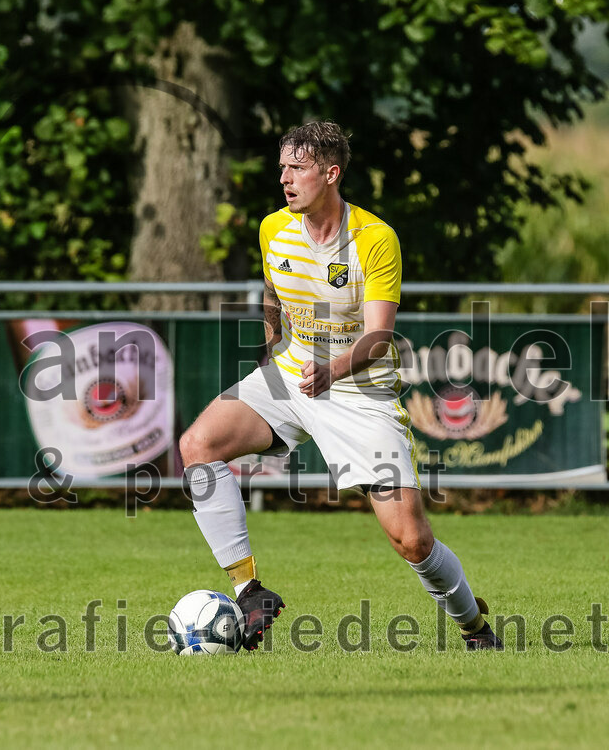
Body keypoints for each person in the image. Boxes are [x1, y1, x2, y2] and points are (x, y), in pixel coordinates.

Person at [179, 121, 503, 651]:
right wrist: (271, 345)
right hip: (291, 375)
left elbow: (379, 336)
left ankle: (474, 627)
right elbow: (273, 290)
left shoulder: (375, 239)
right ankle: (249, 591)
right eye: (282, 166)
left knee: (413, 541)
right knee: (198, 445)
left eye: (297, 168)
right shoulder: (272, 228)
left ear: (331, 173)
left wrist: (332, 370)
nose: (284, 178)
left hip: (360, 393)